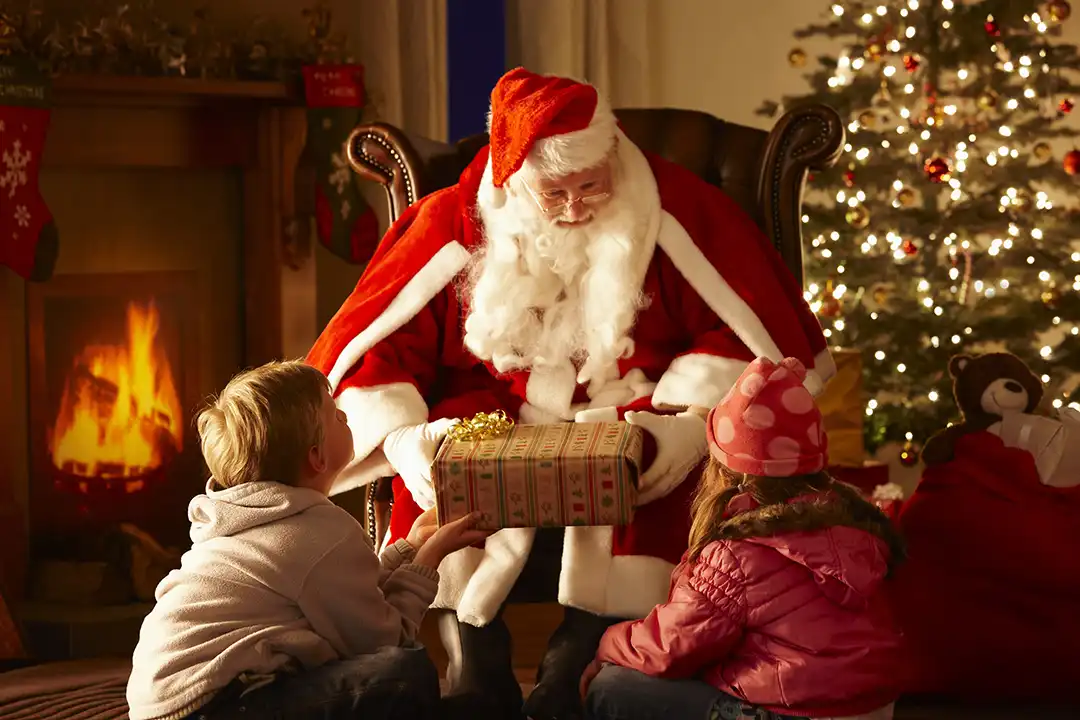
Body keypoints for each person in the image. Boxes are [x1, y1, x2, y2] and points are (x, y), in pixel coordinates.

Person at [306, 67, 834, 720]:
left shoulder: (674, 212)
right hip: (489, 412)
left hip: (631, 400)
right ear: (517, 184)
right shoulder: (453, 222)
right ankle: (476, 665)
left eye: (592, 185)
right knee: (444, 478)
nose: (578, 205)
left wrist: (669, 421)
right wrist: (415, 439)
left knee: (666, 464)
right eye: (557, 193)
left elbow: (743, 337)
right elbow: (372, 349)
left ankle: (581, 660)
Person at [125, 360, 490, 720]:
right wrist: (431, 557)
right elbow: (386, 639)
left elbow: (339, 593)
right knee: (403, 673)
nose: (345, 417)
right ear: (316, 457)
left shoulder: (252, 516)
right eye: (334, 414)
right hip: (209, 706)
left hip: (165, 700)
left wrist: (409, 546)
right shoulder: (318, 533)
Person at [581, 357, 904, 720]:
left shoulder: (736, 553)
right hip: (872, 708)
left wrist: (609, 643)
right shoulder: (858, 519)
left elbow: (672, 645)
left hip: (799, 712)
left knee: (613, 687)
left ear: (726, 470)